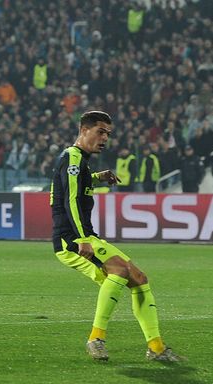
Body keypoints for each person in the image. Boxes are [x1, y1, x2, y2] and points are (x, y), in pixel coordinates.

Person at [50, 111, 182, 362]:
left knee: (140, 279)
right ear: (83, 130)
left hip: (86, 236)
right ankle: (96, 339)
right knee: (119, 272)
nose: (104, 138)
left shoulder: (79, 162)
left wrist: (98, 177)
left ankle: (156, 349)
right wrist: (82, 239)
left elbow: (72, 184)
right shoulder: (73, 157)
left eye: (108, 134)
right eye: (100, 131)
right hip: (72, 239)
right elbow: (70, 200)